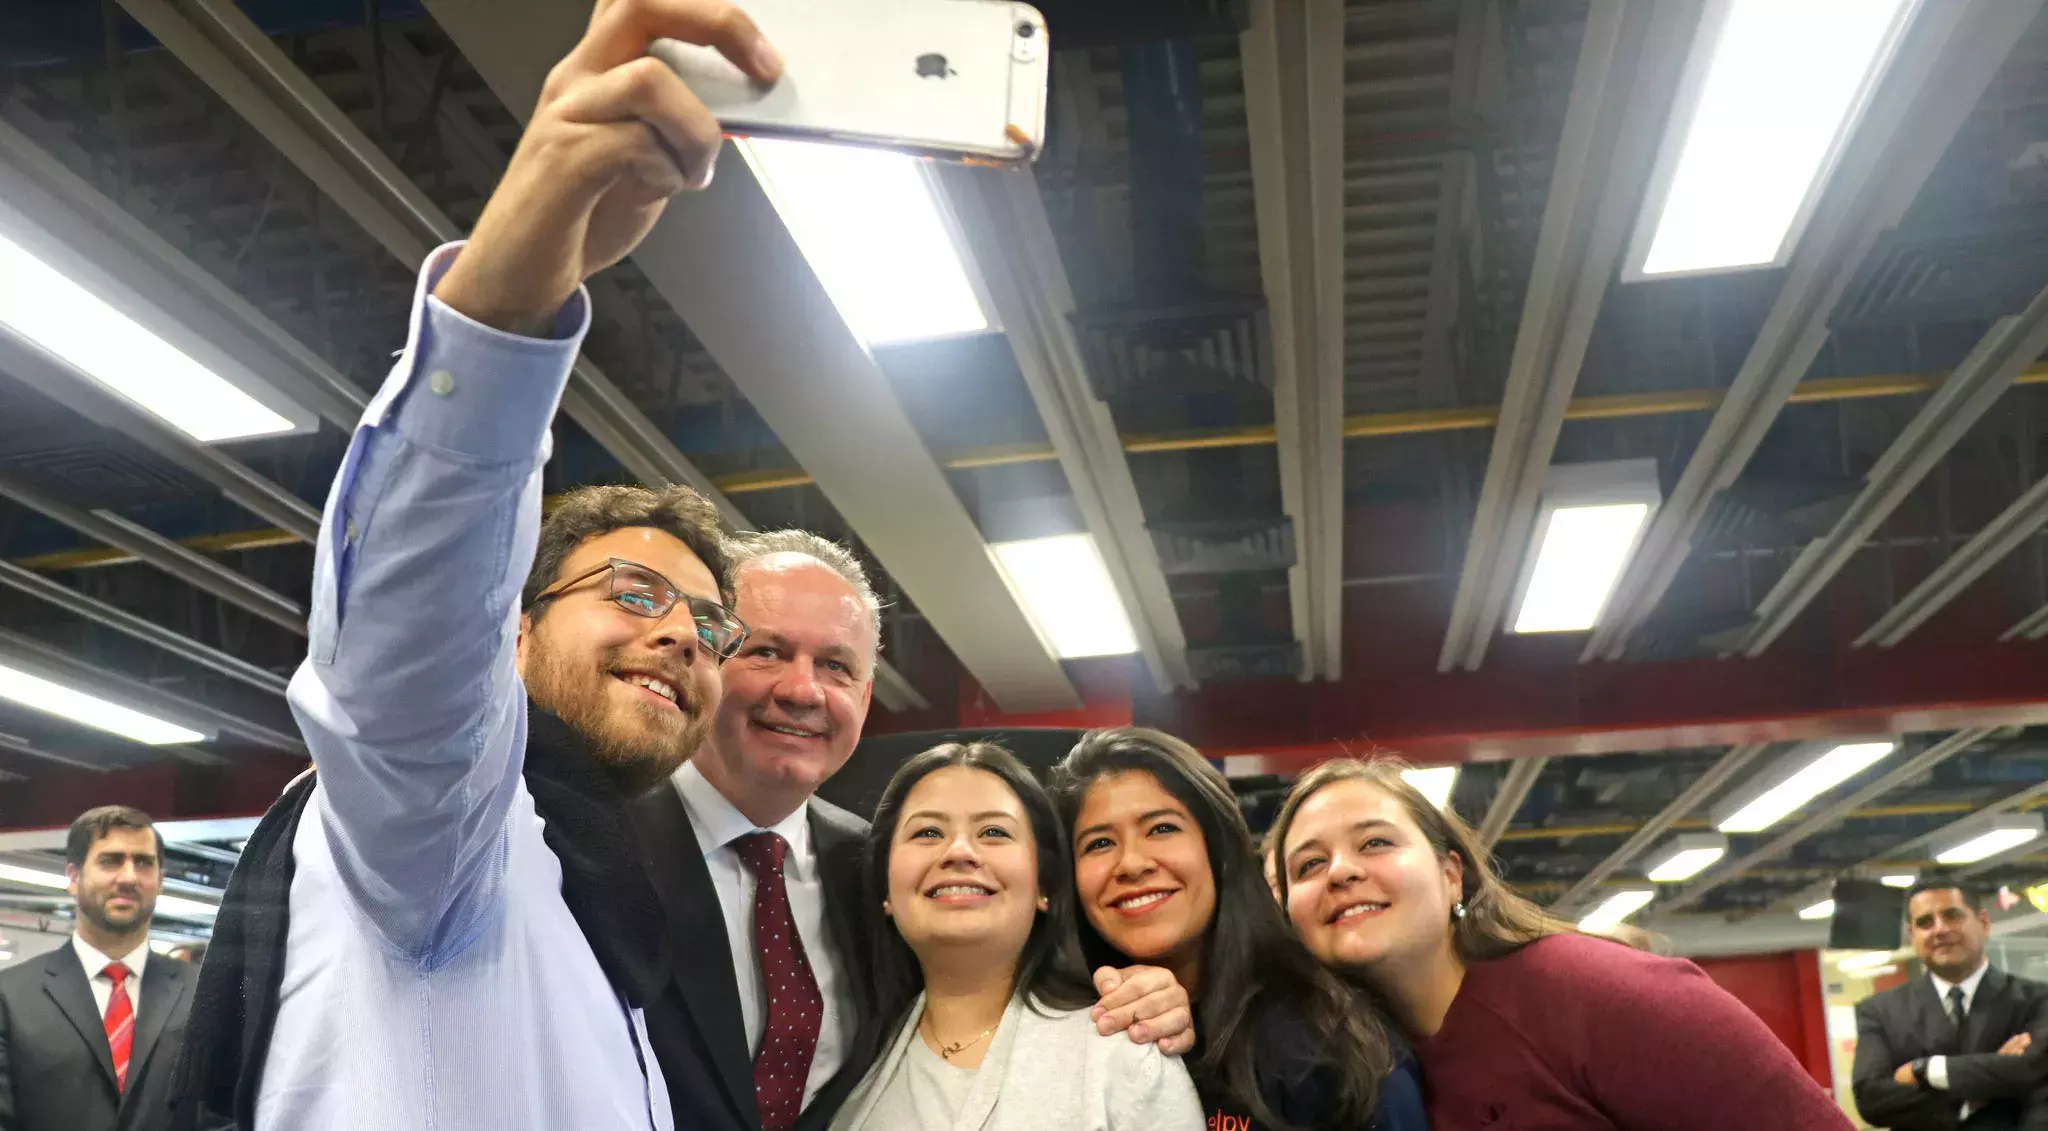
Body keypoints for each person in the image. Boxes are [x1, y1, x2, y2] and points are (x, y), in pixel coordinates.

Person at [168, 4, 783, 1128]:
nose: (683, 637)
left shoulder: (597, 890)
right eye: (632, 593)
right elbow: (418, 615)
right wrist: (506, 303)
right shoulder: (437, 833)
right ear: (511, 626)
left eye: (708, 623)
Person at [629, 532, 1198, 1131]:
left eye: (835, 665)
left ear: (866, 693)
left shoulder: (858, 861)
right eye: (767, 651)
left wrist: (1162, 995)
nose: (802, 690)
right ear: (708, 653)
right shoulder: (593, 840)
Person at [1269, 757, 1855, 1131]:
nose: (1340, 872)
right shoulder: (1361, 1065)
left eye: (1373, 843)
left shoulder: (1595, 992)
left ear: (1452, 874)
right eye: (1309, 864)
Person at [1052, 728, 1427, 1131]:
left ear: (1218, 850)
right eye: (1099, 843)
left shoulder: (1324, 1044)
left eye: (1161, 828)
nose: (1131, 863)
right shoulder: (1066, 1039)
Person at [829, 743, 1205, 1131]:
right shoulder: (839, 1067)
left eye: (993, 831)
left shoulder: (1124, 1053)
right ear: (886, 890)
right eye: (928, 832)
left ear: (1044, 884)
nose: (959, 851)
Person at [0, 806, 208, 1131]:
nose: (128, 877)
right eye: (110, 860)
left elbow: (223, 1115)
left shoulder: (203, 995)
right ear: (73, 877)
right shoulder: (9, 996)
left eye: (143, 862)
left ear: (160, 880)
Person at [1852, 878, 2048, 1130]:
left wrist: (1926, 1070)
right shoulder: (1881, 1011)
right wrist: (1982, 1089)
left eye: (1952, 916)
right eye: (1925, 922)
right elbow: (1872, 1101)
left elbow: (2035, 1071)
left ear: (1984, 923)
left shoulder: (2037, 1000)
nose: (1939, 930)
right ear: (1913, 935)